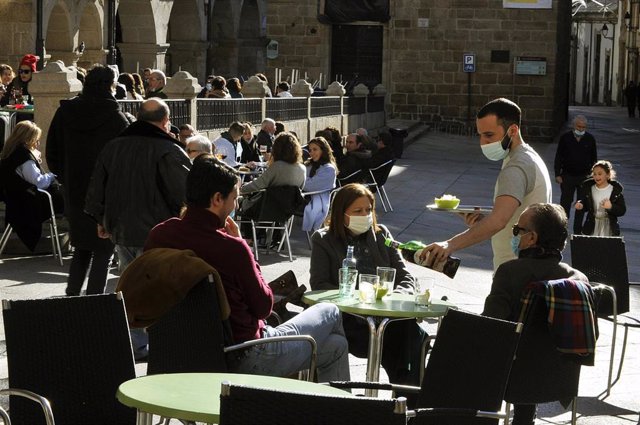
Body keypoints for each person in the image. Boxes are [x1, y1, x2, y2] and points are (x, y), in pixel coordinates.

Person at [144, 155, 350, 382]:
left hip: (177, 354)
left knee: (336, 346)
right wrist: (247, 251)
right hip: (243, 355)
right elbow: (263, 306)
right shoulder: (231, 248)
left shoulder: (159, 234)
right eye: (235, 198)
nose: (236, 205)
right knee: (330, 310)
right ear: (217, 199)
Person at [84, 98, 190, 359]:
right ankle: (159, 341)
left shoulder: (114, 146)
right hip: (157, 232)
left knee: (130, 285)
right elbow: (186, 192)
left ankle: (136, 343)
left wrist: (101, 219)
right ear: (165, 122)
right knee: (160, 288)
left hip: (121, 229)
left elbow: (98, 186)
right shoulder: (169, 150)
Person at [309, 183, 428, 391]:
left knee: (412, 333)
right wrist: (356, 299)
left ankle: (407, 401)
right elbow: (320, 284)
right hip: (348, 319)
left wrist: (397, 297)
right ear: (341, 213)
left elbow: (405, 276)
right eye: (357, 211)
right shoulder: (323, 239)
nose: (365, 215)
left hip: (386, 317)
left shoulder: (381, 235)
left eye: (368, 210)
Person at [482, 203, 588, 425]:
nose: (514, 236)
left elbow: (490, 327)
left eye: (516, 231)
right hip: (561, 377)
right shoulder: (579, 280)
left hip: (511, 376)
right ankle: (524, 417)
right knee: (531, 350)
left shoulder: (510, 272)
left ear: (531, 238)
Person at [420, 97, 552, 271]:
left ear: (512, 130)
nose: (483, 142)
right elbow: (511, 216)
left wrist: (449, 244)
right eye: (480, 135)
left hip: (517, 270)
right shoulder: (527, 157)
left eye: (489, 135)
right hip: (524, 267)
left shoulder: (517, 166)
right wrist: (482, 222)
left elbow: (499, 220)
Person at [46, 64, 131, 297]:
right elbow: (124, 159)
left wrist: (66, 177)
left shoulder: (65, 112)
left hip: (75, 190)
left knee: (82, 248)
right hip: (105, 193)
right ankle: (94, 303)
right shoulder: (116, 118)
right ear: (109, 86)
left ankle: (72, 298)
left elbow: (51, 152)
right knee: (103, 251)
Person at [0, 121, 62, 251]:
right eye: (36, 140)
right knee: (65, 199)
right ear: (29, 139)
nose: (37, 143)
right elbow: (38, 182)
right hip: (28, 202)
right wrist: (52, 175)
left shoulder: (9, 153)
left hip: (15, 199)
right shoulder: (24, 157)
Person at [554, 114, 597, 230]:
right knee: (565, 203)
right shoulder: (565, 138)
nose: (581, 129)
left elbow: (594, 159)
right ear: (574, 125)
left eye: (583, 127)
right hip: (567, 176)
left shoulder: (590, 139)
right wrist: (557, 174)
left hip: (584, 177)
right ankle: (563, 228)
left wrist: (594, 176)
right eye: (579, 126)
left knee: (581, 204)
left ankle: (577, 229)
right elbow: (559, 156)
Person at [240, 132, 305, 195]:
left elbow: (257, 185)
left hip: (272, 204)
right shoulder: (302, 168)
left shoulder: (277, 166)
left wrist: (240, 189)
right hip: (294, 205)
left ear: (277, 148)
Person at [574, 160, 626, 236]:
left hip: (609, 227)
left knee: (606, 247)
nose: (597, 176)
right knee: (591, 246)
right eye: (594, 174)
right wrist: (581, 205)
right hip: (592, 225)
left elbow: (622, 210)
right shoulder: (589, 188)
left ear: (608, 175)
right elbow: (586, 204)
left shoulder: (615, 191)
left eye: (600, 174)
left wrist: (611, 206)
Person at [302, 136, 337, 232]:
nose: (311, 153)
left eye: (315, 149)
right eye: (310, 150)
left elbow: (310, 186)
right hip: (304, 196)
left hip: (314, 200)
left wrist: (299, 179)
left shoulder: (328, 168)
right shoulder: (309, 164)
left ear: (323, 150)